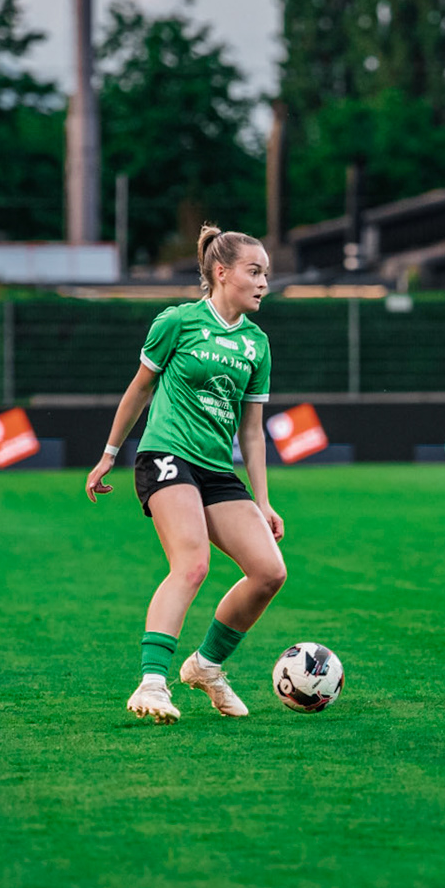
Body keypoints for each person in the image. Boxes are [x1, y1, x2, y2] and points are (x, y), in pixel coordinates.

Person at [84, 226, 286, 723]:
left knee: (269, 571)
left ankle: (206, 666)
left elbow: (253, 432)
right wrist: (110, 452)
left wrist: (262, 501)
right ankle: (152, 683)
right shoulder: (178, 322)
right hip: (165, 457)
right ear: (222, 272)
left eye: (266, 274)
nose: (263, 283)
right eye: (254, 272)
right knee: (192, 563)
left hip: (217, 470)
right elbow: (139, 390)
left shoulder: (256, 344)